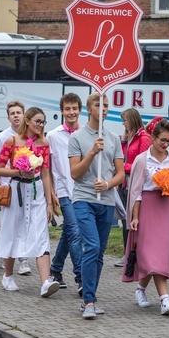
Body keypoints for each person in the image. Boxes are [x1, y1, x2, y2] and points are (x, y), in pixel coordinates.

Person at [122, 119, 169, 315]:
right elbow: (136, 191)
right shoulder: (142, 160)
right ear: (152, 138)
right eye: (162, 140)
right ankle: (164, 299)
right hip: (147, 208)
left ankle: (140, 289)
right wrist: (134, 217)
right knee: (151, 255)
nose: (165, 144)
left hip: (166, 207)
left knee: (160, 255)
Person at [69, 93, 125, 319]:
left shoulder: (113, 138)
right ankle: (89, 301)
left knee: (99, 252)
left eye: (106, 106)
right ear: (88, 109)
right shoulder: (77, 137)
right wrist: (92, 151)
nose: (103, 109)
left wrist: (108, 183)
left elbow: (120, 173)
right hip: (83, 199)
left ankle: (90, 296)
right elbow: (75, 174)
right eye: (98, 105)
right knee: (91, 246)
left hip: (107, 201)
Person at [0, 107, 59, 297]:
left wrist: (49, 202)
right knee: (12, 231)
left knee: (41, 233)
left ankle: (46, 282)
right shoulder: (12, 141)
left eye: (43, 122)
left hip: (36, 189)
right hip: (17, 190)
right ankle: (8, 275)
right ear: (28, 121)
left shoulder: (44, 143)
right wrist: (18, 172)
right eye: (37, 121)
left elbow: (46, 174)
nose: (40, 125)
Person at [0, 100, 31, 275]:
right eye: (12, 113)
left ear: (24, 115)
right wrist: (12, 171)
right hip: (9, 187)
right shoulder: (2, 137)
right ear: (8, 117)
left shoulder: (30, 137)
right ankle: (12, 257)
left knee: (24, 223)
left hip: (27, 186)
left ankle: (22, 258)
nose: (16, 116)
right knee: (10, 225)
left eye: (18, 112)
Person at [46, 93, 83, 293]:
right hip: (63, 190)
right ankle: (81, 277)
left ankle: (55, 269)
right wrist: (51, 193)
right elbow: (48, 168)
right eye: (67, 109)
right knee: (75, 231)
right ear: (61, 111)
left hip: (81, 191)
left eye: (74, 108)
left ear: (80, 110)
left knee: (70, 232)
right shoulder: (53, 135)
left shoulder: (85, 133)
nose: (71, 112)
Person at [115, 108, 152, 267]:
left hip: (135, 184)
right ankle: (128, 253)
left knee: (132, 220)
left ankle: (134, 253)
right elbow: (124, 156)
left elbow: (142, 163)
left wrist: (124, 168)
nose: (123, 123)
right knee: (126, 219)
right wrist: (124, 141)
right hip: (126, 183)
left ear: (132, 120)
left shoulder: (143, 138)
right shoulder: (130, 137)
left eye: (125, 120)